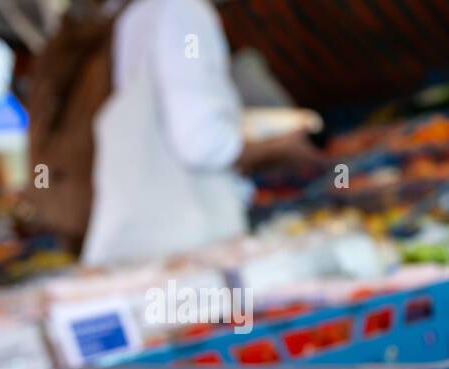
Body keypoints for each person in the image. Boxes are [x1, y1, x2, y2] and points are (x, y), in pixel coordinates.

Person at [80, 0, 321, 265]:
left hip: (153, 246)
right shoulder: (182, 12)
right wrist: (277, 148)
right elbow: (201, 143)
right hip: (192, 246)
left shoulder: (134, 14)